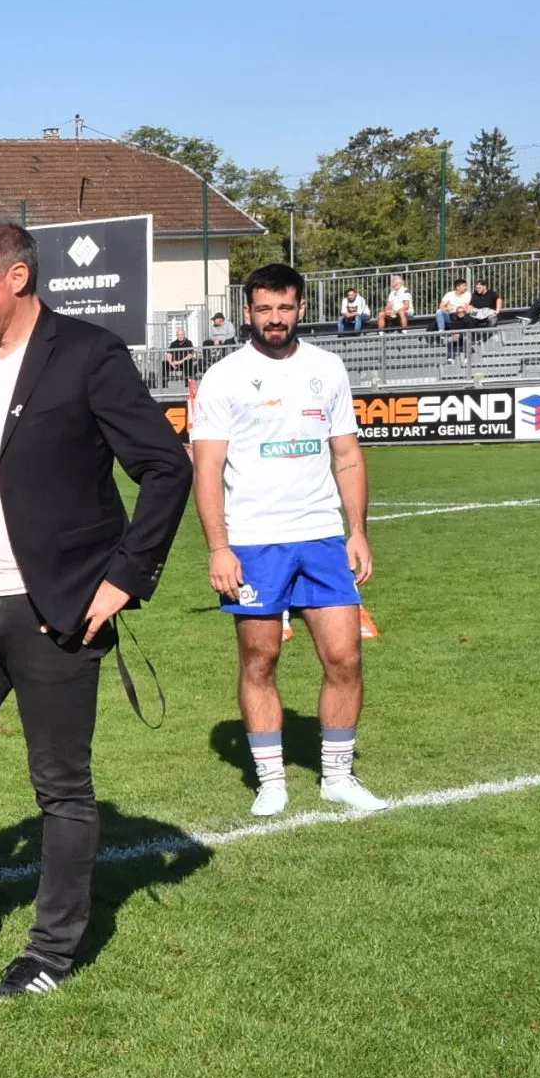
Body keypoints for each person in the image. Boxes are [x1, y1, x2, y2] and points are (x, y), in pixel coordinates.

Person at [0, 219, 191, 1002]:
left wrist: (125, 577)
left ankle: (50, 952)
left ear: (17, 279)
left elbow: (164, 468)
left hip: (57, 612)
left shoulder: (89, 354)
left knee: (60, 786)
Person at [189, 263, 384, 819]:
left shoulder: (328, 368)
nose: (275, 319)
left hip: (322, 537)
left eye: (285, 308)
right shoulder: (225, 376)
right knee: (260, 659)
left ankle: (338, 778)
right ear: (249, 312)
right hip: (254, 542)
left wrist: (359, 532)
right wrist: (219, 546)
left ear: (300, 308)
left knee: (344, 657)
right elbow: (207, 470)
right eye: (264, 309)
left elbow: (346, 454)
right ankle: (271, 781)